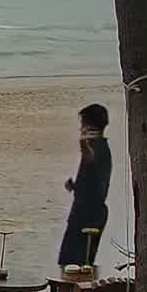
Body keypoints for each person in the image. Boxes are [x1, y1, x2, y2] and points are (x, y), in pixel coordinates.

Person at [59, 103, 113, 266]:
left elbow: (90, 158)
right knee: (79, 263)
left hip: (87, 215)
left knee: (72, 264)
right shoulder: (102, 147)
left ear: (89, 125)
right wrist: (74, 187)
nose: (80, 128)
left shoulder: (96, 147)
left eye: (82, 124)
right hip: (90, 211)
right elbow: (94, 181)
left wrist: (83, 144)